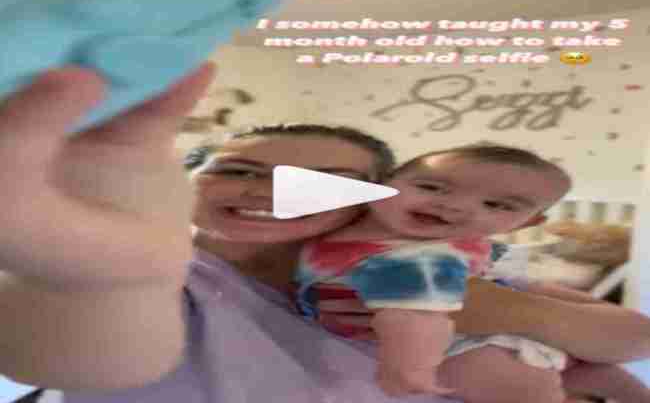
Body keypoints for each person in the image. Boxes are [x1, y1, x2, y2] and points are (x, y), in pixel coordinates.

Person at [3, 70, 650, 403]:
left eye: (324, 181)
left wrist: (480, 305)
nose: (268, 190)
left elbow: (630, 338)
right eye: (239, 170)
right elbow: (73, 357)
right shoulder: (164, 270)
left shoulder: (435, 263)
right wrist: (98, 268)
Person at [291, 145, 650, 403]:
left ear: (525, 223)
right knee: (528, 390)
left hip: (490, 333)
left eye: (495, 204)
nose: (453, 205)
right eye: (431, 187)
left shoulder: (457, 243)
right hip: (445, 349)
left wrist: (573, 309)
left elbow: (517, 284)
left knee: (597, 370)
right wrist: (410, 367)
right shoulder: (405, 257)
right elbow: (413, 318)